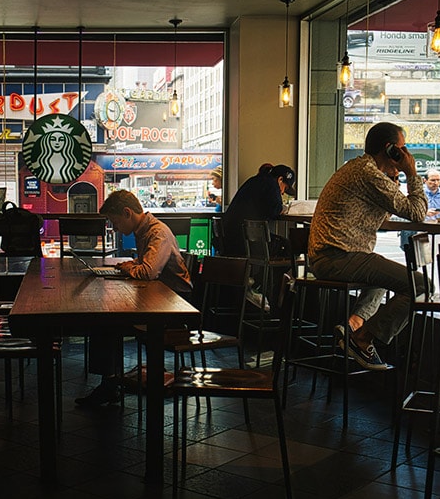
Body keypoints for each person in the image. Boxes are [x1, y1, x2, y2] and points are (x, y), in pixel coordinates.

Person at [308, 122, 428, 370]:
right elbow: (417, 213)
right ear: (391, 149)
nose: (406, 155)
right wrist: (411, 174)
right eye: (403, 149)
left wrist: (393, 183)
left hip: (332, 257)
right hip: (339, 258)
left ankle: (353, 325)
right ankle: (362, 339)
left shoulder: (360, 169)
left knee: (381, 273)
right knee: (420, 285)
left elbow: (382, 218)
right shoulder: (368, 173)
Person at [74, 190, 192, 406]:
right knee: (105, 320)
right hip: (159, 300)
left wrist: (130, 266)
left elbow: (148, 272)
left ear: (127, 213)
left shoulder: (157, 233)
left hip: (175, 308)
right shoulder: (143, 230)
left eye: (115, 221)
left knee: (106, 321)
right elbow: (145, 267)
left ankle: (109, 384)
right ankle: (110, 381)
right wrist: (132, 266)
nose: (114, 227)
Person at [221, 163, 296, 258]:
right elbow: (274, 210)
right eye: (284, 188)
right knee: (290, 248)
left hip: (230, 238)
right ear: (280, 179)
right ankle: (267, 273)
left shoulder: (254, 180)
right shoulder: (271, 185)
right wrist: (285, 208)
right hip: (245, 241)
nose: (282, 193)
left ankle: (262, 272)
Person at [399, 168, 440, 248]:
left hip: (437, 232)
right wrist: (424, 213)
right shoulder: (418, 194)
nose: (436, 183)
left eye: (438, 180)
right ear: (424, 180)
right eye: (432, 180)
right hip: (420, 230)